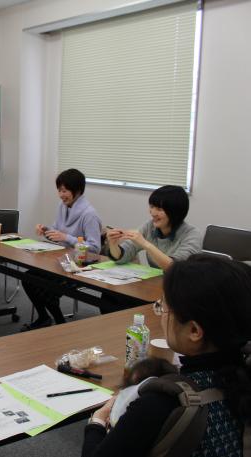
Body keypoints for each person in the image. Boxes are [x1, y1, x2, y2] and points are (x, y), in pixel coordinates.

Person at [82, 254, 251, 456]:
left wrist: (98, 421)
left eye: (163, 306)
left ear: (194, 331)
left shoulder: (162, 403)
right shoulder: (242, 376)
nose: (161, 315)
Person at [21, 169, 102, 331]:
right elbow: (57, 232)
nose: (61, 194)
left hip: (79, 266)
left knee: (47, 290)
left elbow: (95, 248)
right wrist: (46, 230)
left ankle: (59, 325)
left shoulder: (89, 214)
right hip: (61, 260)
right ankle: (44, 317)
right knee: (28, 278)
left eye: (65, 190)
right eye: (59, 190)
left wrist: (66, 238)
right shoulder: (63, 206)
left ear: (77, 190)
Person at [106, 185, 202, 270]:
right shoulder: (149, 226)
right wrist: (113, 244)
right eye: (151, 207)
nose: (153, 213)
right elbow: (122, 257)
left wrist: (145, 243)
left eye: (159, 209)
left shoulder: (192, 235)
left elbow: (175, 269)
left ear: (175, 212)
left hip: (181, 286)